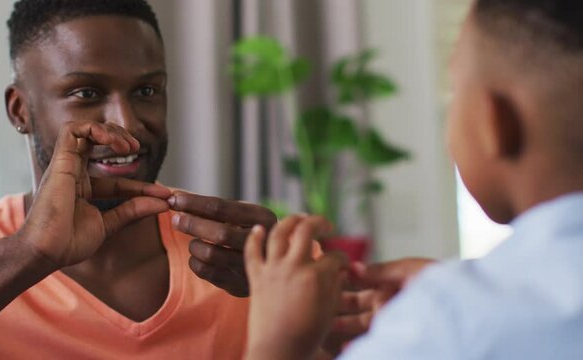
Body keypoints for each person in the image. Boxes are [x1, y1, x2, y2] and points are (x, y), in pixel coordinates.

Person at [0, 1, 281, 358]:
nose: (128, 124)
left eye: (147, 91)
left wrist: (281, 302)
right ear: (20, 111)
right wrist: (28, 253)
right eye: (86, 92)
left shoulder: (239, 255)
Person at [243, 0, 583, 359]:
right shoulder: (456, 311)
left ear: (493, 123)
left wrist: (278, 343)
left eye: (455, 90)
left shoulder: (444, 322)